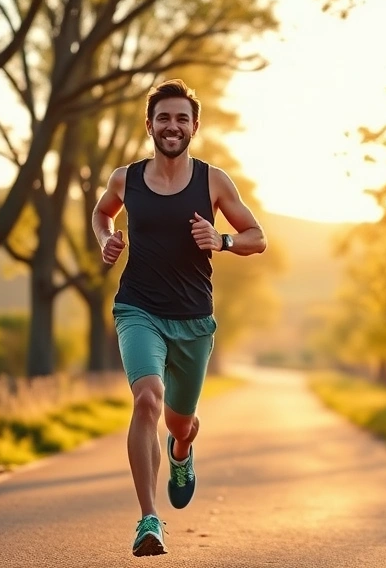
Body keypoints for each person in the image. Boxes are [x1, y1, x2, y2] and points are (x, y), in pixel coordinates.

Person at [91, 78, 267, 557]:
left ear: (194, 126)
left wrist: (224, 240)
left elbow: (257, 235)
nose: (173, 126)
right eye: (164, 118)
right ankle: (149, 519)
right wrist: (104, 238)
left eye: (181, 118)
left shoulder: (213, 181)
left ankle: (182, 451)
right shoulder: (125, 179)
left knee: (179, 422)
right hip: (138, 308)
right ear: (150, 125)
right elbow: (102, 213)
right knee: (147, 400)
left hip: (193, 319)